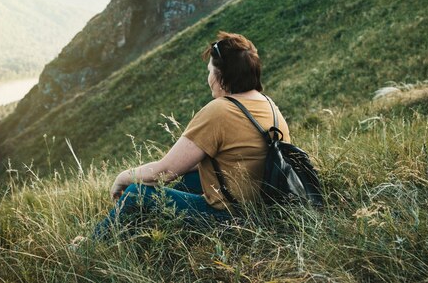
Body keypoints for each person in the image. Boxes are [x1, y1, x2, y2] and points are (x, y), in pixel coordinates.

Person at [91, 31, 291, 239]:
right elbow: (232, 159)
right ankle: (140, 230)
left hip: (232, 221)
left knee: (136, 193)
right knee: (194, 176)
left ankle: (90, 246)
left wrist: (122, 177)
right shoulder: (269, 105)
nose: (208, 78)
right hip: (263, 211)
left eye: (210, 72)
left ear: (221, 79)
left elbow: (165, 171)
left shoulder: (220, 111)